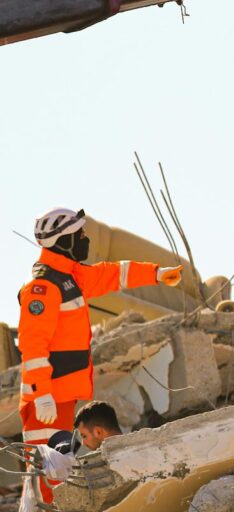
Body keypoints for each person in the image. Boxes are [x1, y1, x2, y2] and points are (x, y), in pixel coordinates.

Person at [19, 208, 182, 502]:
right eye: (79, 235)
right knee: (47, 470)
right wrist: (41, 392)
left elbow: (113, 273)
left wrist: (156, 274)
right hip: (47, 396)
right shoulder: (42, 288)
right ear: (63, 240)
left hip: (61, 394)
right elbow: (33, 345)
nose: (84, 240)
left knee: (59, 467)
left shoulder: (72, 277)